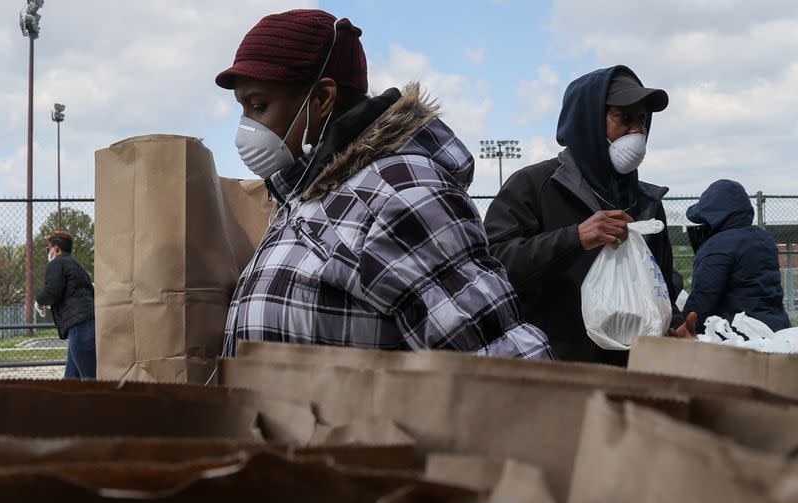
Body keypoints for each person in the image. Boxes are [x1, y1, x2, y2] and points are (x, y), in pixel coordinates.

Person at [216, 9, 552, 360]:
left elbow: (499, 358)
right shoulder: (303, 198)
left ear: (321, 99)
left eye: (258, 105)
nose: (246, 128)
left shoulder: (400, 193)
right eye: (243, 109)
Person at [484, 66, 679, 366]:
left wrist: (676, 326)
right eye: (623, 118)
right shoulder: (534, 186)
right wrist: (574, 238)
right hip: (554, 372)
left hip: (634, 373)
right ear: (586, 121)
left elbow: (663, 282)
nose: (637, 132)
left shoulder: (647, 202)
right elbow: (493, 267)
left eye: (642, 120)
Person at [683, 179, 790, 333]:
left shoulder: (717, 246)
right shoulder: (763, 238)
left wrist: (685, 325)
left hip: (736, 336)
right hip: (776, 329)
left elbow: (703, 298)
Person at [35, 231, 96, 379]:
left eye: (48, 248)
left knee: (91, 380)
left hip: (79, 327)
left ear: (56, 248)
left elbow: (52, 292)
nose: (48, 252)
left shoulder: (57, 263)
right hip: (88, 323)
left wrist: (39, 301)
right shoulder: (76, 266)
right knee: (71, 379)